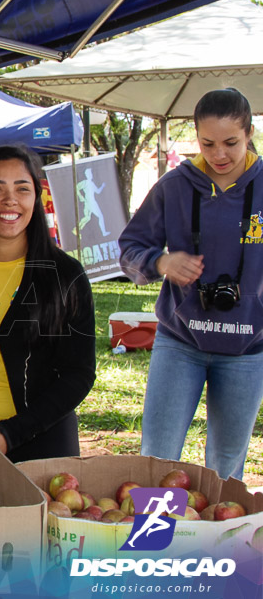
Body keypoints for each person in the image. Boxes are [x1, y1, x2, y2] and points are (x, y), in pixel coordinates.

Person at [119, 88, 263, 481]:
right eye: (207, 143)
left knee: (227, 464)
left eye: (231, 143)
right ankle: (155, 540)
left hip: (248, 348)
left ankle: (215, 543)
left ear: (249, 132)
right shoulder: (175, 186)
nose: (219, 155)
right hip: (180, 343)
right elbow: (130, 247)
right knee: (159, 457)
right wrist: (161, 261)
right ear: (195, 137)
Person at [0, 145, 95, 462]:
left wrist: (11, 432)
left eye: (22, 189)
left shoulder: (65, 276)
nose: (9, 200)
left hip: (37, 439)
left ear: (37, 198)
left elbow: (79, 375)